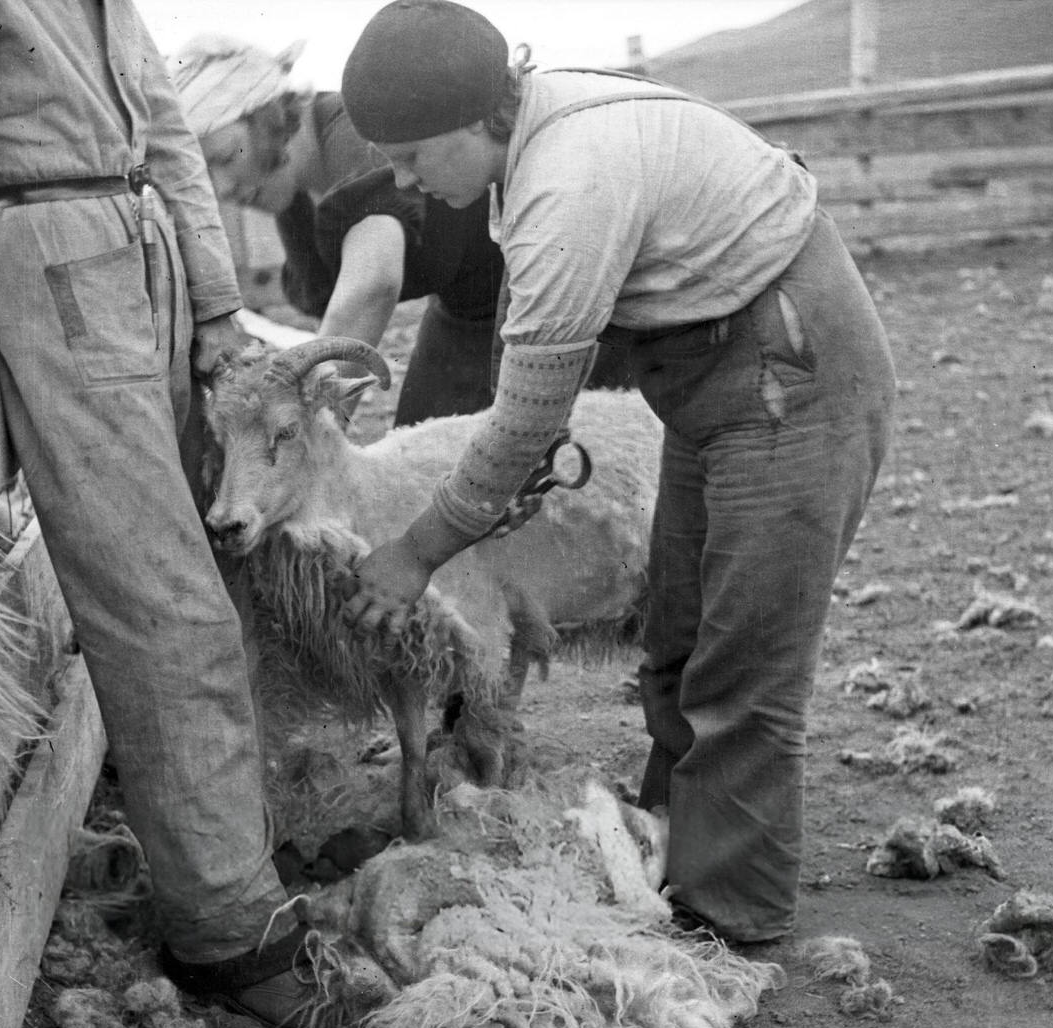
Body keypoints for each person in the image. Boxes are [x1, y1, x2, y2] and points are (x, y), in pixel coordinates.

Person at [336, 0, 896, 944]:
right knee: (676, 637)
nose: (403, 180)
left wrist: (416, 551)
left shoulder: (567, 185)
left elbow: (525, 424)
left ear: (480, 116)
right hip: (717, 371)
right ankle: (672, 854)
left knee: (742, 662)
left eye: (414, 155)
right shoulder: (534, 136)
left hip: (789, 373)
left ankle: (725, 925)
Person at [0, 0, 309, 1025]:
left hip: (140, 246)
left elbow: (162, 121)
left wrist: (220, 298)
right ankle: (229, 928)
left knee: (203, 566)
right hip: (49, 256)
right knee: (163, 601)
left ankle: (239, 845)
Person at [171, 36, 629, 428]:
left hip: (556, 301)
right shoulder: (290, 190)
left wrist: (308, 424)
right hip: (464, 315)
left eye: (228, 156)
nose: (222, 188)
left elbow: (373, 284)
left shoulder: (355, 134)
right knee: (424, 469)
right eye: (204, 172)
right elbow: (326, 304)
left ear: (271, 113)